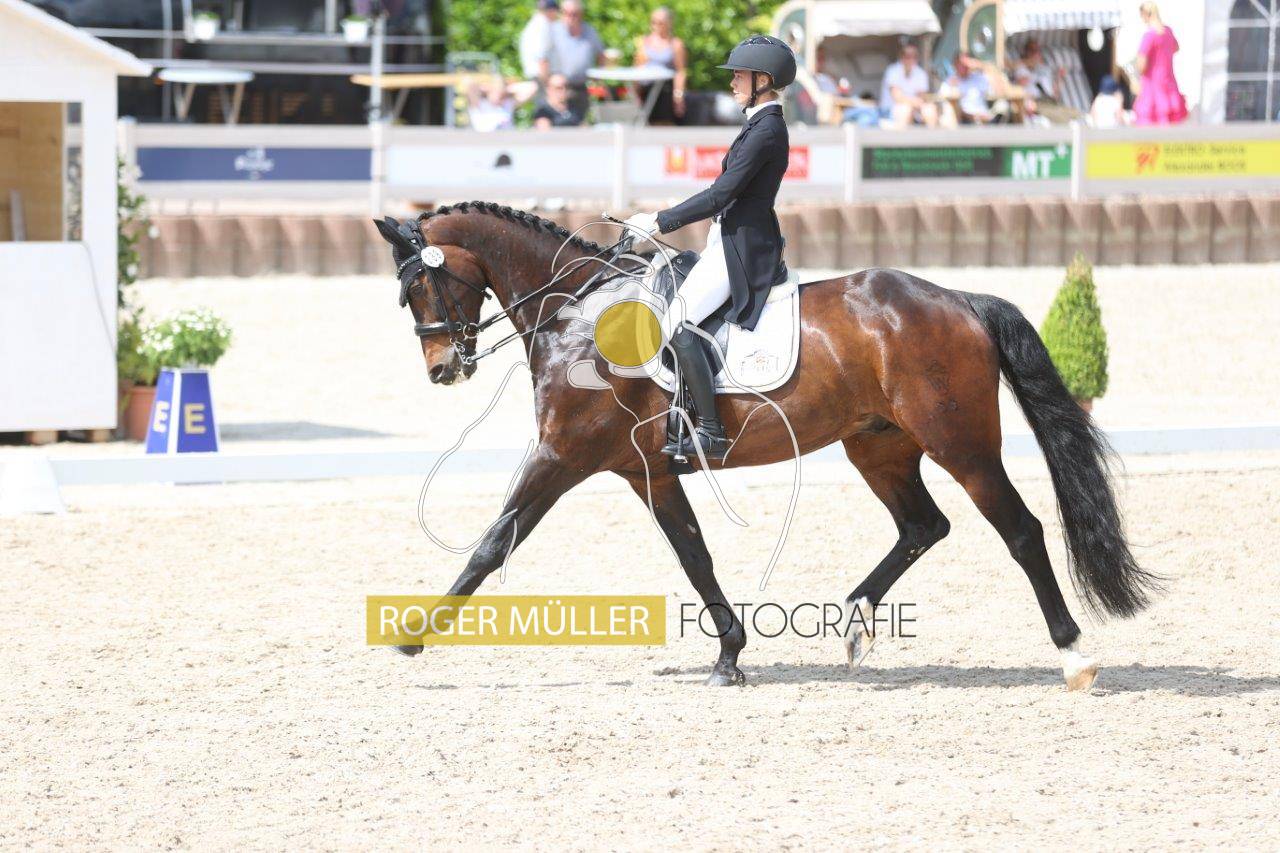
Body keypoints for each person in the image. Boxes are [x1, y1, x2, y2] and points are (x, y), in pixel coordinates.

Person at [622, 35, 795, 461]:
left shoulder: (767, 129)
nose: (732, 82)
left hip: (744, 248)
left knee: (678, 324)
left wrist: (659, 221)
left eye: (739, 75)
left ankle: (711, 431)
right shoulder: (757, 123)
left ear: (762, 79)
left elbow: (720, 195)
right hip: (729, 238)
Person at [1132, 1, 1187, 125]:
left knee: (1150, 125)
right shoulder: (1168, 31)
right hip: (1168, 82)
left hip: (1152, 86)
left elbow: (1141, 65)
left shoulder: (1149, 36)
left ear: (1146, 14)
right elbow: (1176, 47)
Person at [549, 0, 606, 119]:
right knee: (558, 121)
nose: (571, 17)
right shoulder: (553, 31)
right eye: (567, 13)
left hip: (581, 86)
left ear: (581, 14)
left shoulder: (589, 31)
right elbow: (542, 58)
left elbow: (601, 54)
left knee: (580, 120)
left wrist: (598, 78)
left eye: (574, 13)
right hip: (558, 87)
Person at [633, 6, 687, 124]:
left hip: (665, 90)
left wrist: (678, 96)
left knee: (663, 124)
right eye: (653, 22)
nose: (656, 26)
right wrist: (635, 94)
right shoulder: (643, 42)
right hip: (646, 89)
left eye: (660, 23)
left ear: (669, 23)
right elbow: (637, 69)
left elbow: (680, 71)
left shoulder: (675, 44)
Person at [879, 43, 938, 128]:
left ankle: (932, 135)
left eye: (914, 56)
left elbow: (921, 95)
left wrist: (918, 104)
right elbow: (897, 97)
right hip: (890, 110)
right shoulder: (892, 71)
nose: (911, 59)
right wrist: (915, 103)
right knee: (905, 110)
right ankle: (901, 136)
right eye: (908, 56)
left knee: (930, 109)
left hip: (913, 107)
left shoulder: (920, 73)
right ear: (901, 57)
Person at [1013, 40, 1069, 124]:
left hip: (1049, 102)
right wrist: (1030, 65)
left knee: (1071, 114)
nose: (1035, 53)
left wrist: (1059, 78)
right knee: (1060, 118)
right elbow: (1020, 84)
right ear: (1026, 52)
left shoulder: (1044, 70)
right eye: (1032, 50)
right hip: (1035, 103)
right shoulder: (1021, 68)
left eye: (1037, 50)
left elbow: (1055, 95)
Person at [519, 0, 560, 87]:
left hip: (538, 76)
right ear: (551, 11)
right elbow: (542, 57)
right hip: (542, 77)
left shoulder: (535, 24)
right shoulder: (542, 26)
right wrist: (547, 83)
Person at [946, 52, 994, 124]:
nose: (964, 66)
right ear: (955, 65)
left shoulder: (979, 78)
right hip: (963, 121)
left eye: (966, 63)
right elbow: (947, 102)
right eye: (961, 64)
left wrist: (981, 65)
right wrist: (974, 117)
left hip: (984, 117)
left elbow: (998, 89)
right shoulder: (950, 81)